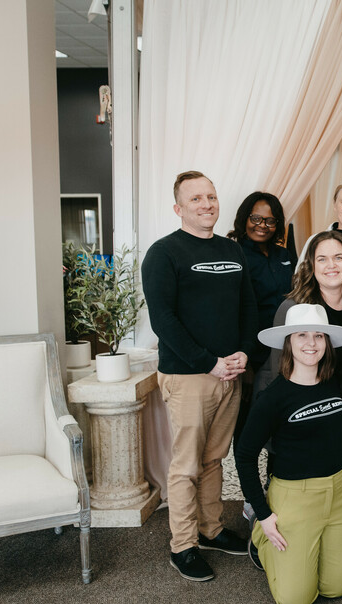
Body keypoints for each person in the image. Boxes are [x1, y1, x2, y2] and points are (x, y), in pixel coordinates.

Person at [141, 170, 258, 582]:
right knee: (187, 464)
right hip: (190, 375)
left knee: (213, 458)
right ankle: (183, 545)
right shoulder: (164, 253)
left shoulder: (233, 250)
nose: (206, 204)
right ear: (178, 208)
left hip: (231, 372)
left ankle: (210, 530)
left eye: (210, 196)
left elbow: (248, 307)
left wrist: (243, 351)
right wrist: (208, 362)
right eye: (195, 199)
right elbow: (164, 320)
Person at [235, 303, 342, 604]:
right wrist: (263, 513)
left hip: (339, 493)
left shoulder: (336, 382)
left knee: (335, 587)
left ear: (326, 343)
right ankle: (261, 538)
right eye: (301, 335)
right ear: (289, 342)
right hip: (295, 499)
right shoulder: (273, 398)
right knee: (295, 602)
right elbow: (245, 455)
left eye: (318, 336)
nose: (311, 343)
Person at [268, 231, 342, 377]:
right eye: (322, 259)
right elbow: (279, 371)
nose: (331, 265)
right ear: (311, 265)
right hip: (307, 398)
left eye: (338, 257)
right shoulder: (291, 308)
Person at [228, 191, 296, 384]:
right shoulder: (234, 254)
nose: (262, 226)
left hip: (285, 346)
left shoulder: (284, 255)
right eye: (256, 218)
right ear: (244, 218)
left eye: (270, 221)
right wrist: (246, 360)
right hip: (252, 350)